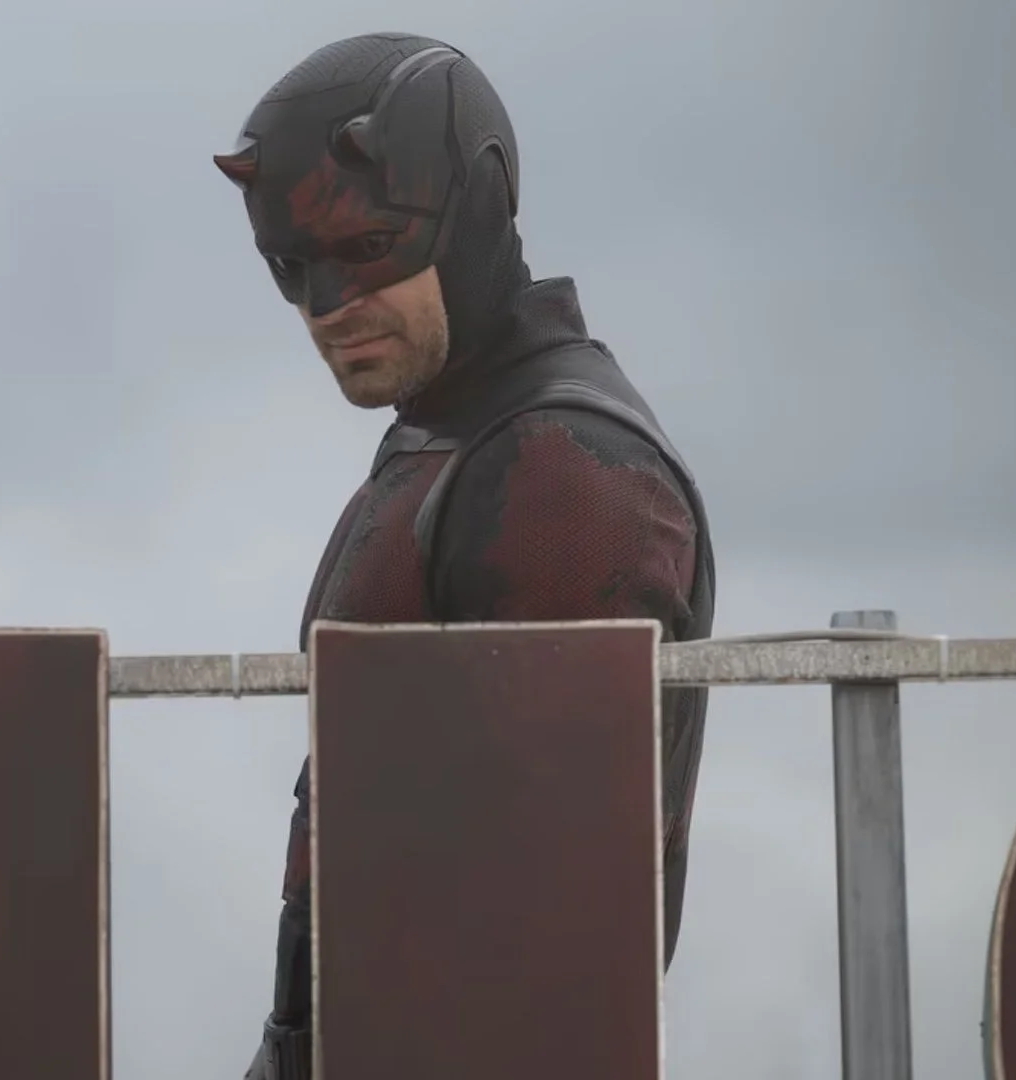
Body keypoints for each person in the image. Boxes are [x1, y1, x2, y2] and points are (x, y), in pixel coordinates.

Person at [211, 33, 718, 1079]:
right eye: (290, 268)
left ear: (475, 206)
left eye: (367, 247)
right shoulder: (459, 431)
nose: (326, 307)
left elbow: (549, 933)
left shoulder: (560, 468)